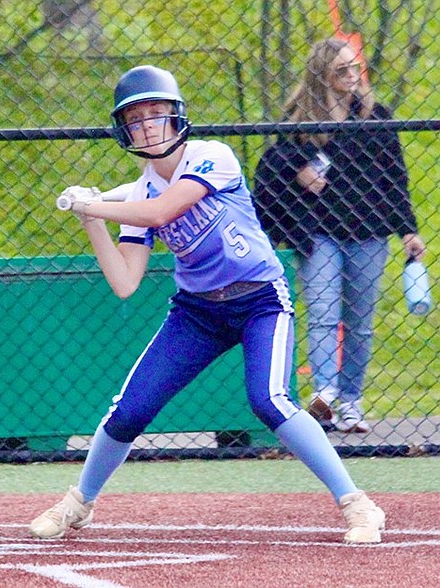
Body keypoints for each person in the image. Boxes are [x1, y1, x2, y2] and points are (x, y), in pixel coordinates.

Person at [29, 65, 386, 544]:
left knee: (270, 401)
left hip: (261, 300)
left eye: (157, 114)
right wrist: (91, 220)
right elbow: (125, 281)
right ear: (124, 131)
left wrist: (92, 204)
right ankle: (78, 504)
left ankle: (358, 504)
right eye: (136, 119)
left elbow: (161, 210)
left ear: (177, 117)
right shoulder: (135, 196)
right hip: (198, 312)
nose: (148, 126)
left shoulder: (211, 156)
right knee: (129, 411)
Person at [253, 38, 426, 433]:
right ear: (322, 76)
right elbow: (273, 161)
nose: (352, 77)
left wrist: (408, 230)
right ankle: (324, 397)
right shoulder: (301, 118)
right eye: (341, 71)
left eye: (355, 68)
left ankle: (352, 402)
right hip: (318, 232)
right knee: (323, 314)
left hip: (368, 230)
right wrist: (298, 168)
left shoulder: (376, 115)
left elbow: (394, 176)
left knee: (360, 321)